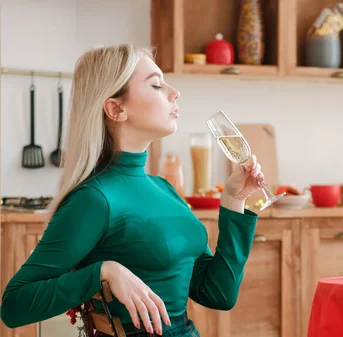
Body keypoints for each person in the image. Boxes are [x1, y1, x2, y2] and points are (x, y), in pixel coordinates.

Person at [0, 44, 264, 336]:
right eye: (156, 84)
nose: (174, 92)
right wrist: (102, 273)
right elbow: (14, 306)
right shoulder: (95, 199)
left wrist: (233, 200)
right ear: (116, 108)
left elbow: (219, 293)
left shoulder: (165, 189)